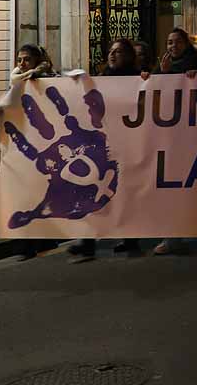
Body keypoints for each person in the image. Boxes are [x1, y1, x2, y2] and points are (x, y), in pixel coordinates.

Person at [70, 39, 142, 261]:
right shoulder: (102, 78)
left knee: (124, 193)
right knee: (92, 190)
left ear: (129, 56)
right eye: (111, 51)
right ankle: (87, 241)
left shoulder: (138, 79)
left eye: (119, 52)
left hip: (126, 144)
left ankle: (130, 238)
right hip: (102, 143)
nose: (113, 55)